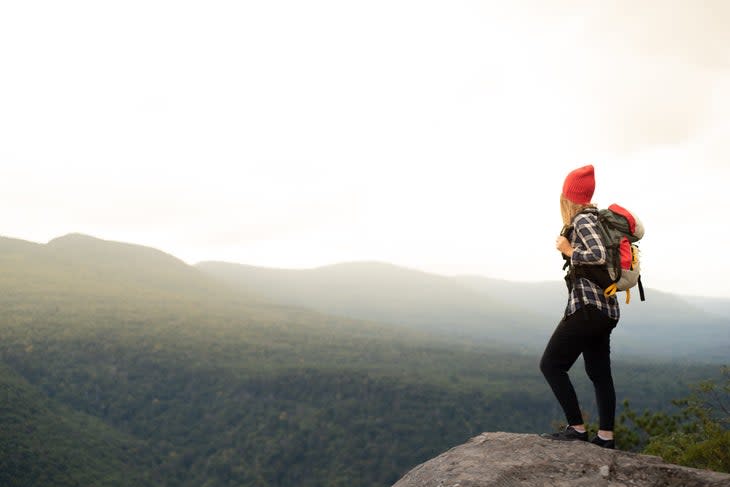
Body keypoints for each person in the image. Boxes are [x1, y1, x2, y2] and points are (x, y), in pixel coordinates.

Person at [539, 164, 619, 449]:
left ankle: (577, 429)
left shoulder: (584, 219)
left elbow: (596, 255)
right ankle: (605, 437)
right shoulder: (597, 218)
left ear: (569, 196)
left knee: (551, 365)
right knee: (599, 374)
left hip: (587, 309)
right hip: (605, 310)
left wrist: (568, 250)